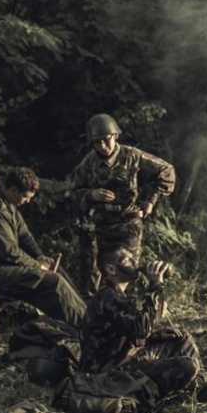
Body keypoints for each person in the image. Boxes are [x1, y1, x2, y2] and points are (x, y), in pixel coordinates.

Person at [80, 246, 207, 403]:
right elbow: (142, 328)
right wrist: (155, 285)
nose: (135, 261)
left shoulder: (116, 295)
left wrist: (156, 336)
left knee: (181, 337)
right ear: (111, 269)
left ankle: (198, 386)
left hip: (125, 358)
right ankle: (180, 391)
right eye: (128, 260)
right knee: (186, 366)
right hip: (109, 373)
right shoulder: (107, 296)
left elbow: (127, 336)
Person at [70, 114, 176, 296]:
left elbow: (167, 172)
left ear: (115, 136)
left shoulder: (133, 156)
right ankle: (104, 309)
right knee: (102, 274)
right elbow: (73, 193)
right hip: (102, 226)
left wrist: (150, 200)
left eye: (106, 140)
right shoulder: (88, 163)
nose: (103, 146)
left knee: (129, 271)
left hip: (128, 224)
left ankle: (131, 308)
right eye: (97, 142)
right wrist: (91, 194)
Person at [0, 167, 86, 328]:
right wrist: (37, 266)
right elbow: (8, 251)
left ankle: (88, 316)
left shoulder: (9, 204)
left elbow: (25, 236)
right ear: (13, 190)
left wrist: (41, 256)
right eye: (25, 197)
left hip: (8, 266)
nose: (27, 201)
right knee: (53, 281)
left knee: (57, 270)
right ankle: (88, 326)